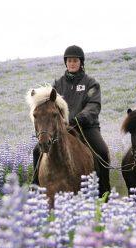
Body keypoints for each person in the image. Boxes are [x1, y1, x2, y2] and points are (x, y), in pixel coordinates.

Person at [32, 45, 110, 195]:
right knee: (37, 150)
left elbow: (94, 106)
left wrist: (78, 119)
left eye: (75, 60)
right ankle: (35, 186)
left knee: (102, 151)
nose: (72, 63)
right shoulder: (58, 84)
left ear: (81, 62)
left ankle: (104, 191)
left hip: (86, 127)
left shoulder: (91, 83)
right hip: (62, 128)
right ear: (65, 63)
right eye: (69, 61)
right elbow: (50, 107)